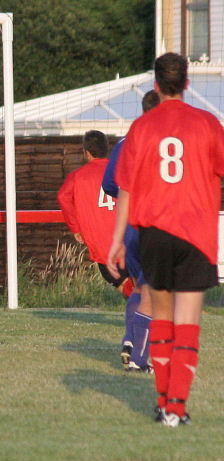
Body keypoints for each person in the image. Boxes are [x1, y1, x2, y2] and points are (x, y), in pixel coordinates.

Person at [107, 52, 224, 427]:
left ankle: (161, 404)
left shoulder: (142, 128)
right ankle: (176, 407)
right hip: (196, 235)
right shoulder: (208, 124)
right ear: (187, 84)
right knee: (188, 322)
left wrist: (117, 241)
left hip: (153, 234)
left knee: (160, 317)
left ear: (155, 86)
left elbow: (125, 188)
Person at [102, 90, 161, 372]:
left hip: (129, 226)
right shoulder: (168, 141)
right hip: (157, 223)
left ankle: (129, 341)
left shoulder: (126, 141)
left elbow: (109, 184)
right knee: (156, 293)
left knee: (141, 288)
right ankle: (139, 358)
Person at [57, 130, 132, 294]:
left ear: (87, 153)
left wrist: (76, 228)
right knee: (131, 281)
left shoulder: (78, 176)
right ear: (107, 149)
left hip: (102, 242)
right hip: (127, 237)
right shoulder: (121, 171)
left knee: (122, 282)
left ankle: (145, 314)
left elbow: (63, 197)